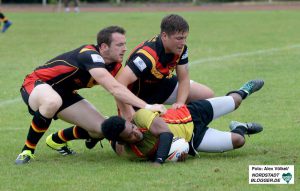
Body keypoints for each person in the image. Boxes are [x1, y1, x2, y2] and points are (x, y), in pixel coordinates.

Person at [15, 26, 166, 165]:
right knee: (52, 101)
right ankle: (27, 150)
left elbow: (121, 91)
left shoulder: (116, 67)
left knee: (103, 128)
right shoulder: (89, 55)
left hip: (65, 94)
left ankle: (57, 140)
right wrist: (148, 106)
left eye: (125, 44)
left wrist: (129, 119)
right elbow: (114, 88)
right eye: (119, 45)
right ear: (104, 47)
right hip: (37, 84)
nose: (125, 49)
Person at [101, 79, 264, 165]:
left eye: (132, 128)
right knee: (238, 141)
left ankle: (244, 90)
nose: (135, 132)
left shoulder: (140, 116)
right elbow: (117, 145)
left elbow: (165, 134)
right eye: (130, 135)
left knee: (235, 101)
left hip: (191, 113)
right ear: (123, 141)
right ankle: (241, 127)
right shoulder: (131, 152)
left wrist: (159, 161)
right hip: (194, 140)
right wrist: (175, 155)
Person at [115, 14, 214, 121]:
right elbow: (119, 84)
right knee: (138, 133)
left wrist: (180, 103)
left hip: (161, 84)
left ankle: (189, 129)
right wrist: (129, 113)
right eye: (179, 38)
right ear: (164, 36)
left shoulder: (181, 49)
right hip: (138, 96)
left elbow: (184, 79)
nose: (183, 43)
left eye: (185, 38)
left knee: (206, 95)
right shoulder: (146, 56)